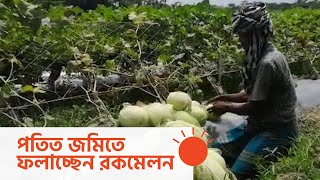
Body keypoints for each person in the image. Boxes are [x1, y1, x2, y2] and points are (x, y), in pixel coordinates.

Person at [205, 2, 299, 180]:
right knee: (215, 148)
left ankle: (284, 144)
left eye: (242, 34)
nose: (240, 39)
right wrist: (225, 97)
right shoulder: (262, 56)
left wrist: (226, 107)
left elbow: (254, 106)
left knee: (236, 173)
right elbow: (251, 94)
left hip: (277, 131)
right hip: (256, 125)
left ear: (253, 34)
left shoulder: (267, 63)